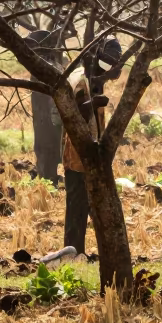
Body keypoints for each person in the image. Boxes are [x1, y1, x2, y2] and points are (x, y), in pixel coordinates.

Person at [62, 36, 122, 255]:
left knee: (89, 209)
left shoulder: (95, 78)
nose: (116, 66)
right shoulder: (81, 81)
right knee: (77, 212)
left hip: (90, 155)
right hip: (78, 157)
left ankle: (80, 254)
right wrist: (94, 104)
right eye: (112, 60)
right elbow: (73, 113)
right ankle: (72, 255)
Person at [27, 28, 64, 184]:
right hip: (47, 120)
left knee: (46, 153)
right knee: (49, 153)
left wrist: (54, 121)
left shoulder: (44, 67)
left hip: (47, 120)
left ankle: (49, 187)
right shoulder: (53, 64)